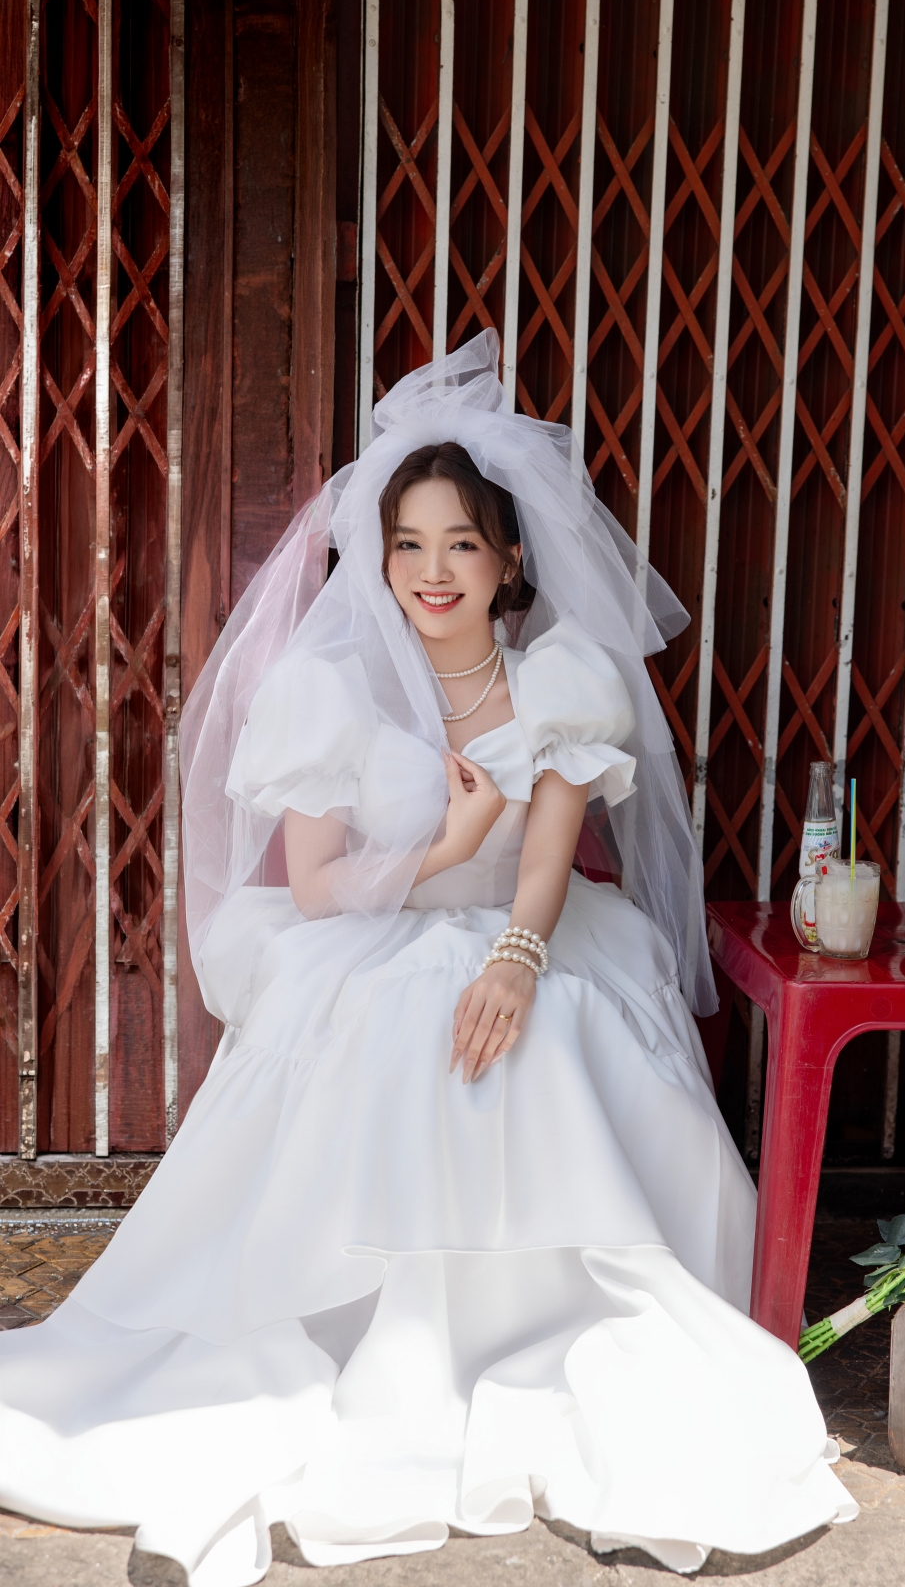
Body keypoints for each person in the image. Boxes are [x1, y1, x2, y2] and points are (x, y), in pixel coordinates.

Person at [0, 333, 855, 1584]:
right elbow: (312, 887)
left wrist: (514, 955)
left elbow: (548, 858)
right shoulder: (332, 690)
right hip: (367, 935)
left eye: (460, 543)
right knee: (394, 1023)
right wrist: (443, 844)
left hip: (526, 925)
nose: (431, 571)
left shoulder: (560, 679)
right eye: (407, 544)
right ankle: (360, 1339)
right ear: (378, 557)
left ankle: (535, 1322)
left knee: (536, 1030)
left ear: (509, 558)